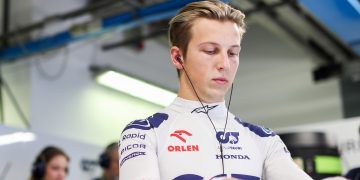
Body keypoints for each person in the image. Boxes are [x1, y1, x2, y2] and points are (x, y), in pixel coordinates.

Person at [118, 0, 313, 179]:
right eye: (210, 51)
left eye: (232, 53)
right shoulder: (144, 133)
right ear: (178, 57)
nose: (225, 64)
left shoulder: (263, 139)